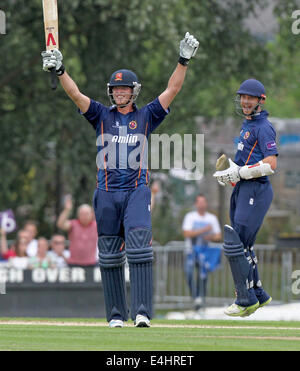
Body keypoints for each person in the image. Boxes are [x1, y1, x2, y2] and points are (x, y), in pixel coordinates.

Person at [42, 32, 199, 328]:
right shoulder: (100, 114)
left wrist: (183, 61)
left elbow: (172, 89)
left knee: (140, 248)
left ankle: (142, 312)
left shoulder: (147, 115)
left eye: (125, 89)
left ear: (134, 91)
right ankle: (115, 315)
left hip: (136, 191)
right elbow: (76, 94)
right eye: (116, 89)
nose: (120, 93)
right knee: (111, 255)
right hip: (105, 193)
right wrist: (61, 71)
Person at [213, 79, 278, 317]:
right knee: (243, 245)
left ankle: (245, 299)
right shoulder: (247, 124)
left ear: (261, 100)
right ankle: (258, 293)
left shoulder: (264, 127)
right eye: (242, 97)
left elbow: (271, 164)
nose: (245, 101)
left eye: (250, 98)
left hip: (257, 189)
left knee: (236, 244)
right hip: (243, 188)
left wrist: (239, 172)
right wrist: (230, 174)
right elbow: (246, 163)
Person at [182, 194, 221, 310]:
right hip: (191, 251)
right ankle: (195, 297)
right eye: (199, 202)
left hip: (204, 252)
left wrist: (210, 237)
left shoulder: (212, 218)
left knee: (202, 276)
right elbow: (186, 233)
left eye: (203, 202)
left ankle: (200, 299)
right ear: (196, 204)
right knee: (189, 273)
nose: (202, 204)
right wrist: (204, 230)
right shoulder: (190, 217)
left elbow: (218, 236)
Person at [57, 195, 98, 267]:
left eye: (87, 214)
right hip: (73, 263)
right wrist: (67, 210)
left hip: (91, 264)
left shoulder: (96, 226)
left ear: (92, 215)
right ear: (78, 215)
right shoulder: (73, 224)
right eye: (82, 214)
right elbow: (60, 224)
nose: (84, 216)